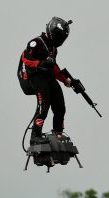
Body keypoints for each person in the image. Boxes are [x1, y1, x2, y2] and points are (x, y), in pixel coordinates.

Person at [19, 17, 72, 145]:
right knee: (45, 104)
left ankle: (58, 133)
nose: (60, 40)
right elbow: (26, 59)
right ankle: (35, 136)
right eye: (58, 36)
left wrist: (65, 79)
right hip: (31, 77)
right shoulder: (36, 42)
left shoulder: (53, 49)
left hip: (46, 76)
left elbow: (53, 66)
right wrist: (41, 63)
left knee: (59, 104)